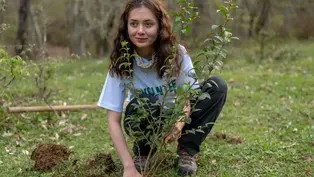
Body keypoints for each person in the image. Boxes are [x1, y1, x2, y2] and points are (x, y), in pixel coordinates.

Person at [97, 0, 227, 176]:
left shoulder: (176, 54)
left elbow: (186, 97)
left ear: (160, 26)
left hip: (178, 115)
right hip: (146, 119)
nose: (140, 31)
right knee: (145, 102)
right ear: (126, 27)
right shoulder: (121, 61)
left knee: (216, 86)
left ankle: (186, 151)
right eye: (134, 24)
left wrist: (178, 125)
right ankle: (143, 153)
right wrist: (128, 167)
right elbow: (113, 120)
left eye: (148, 24)